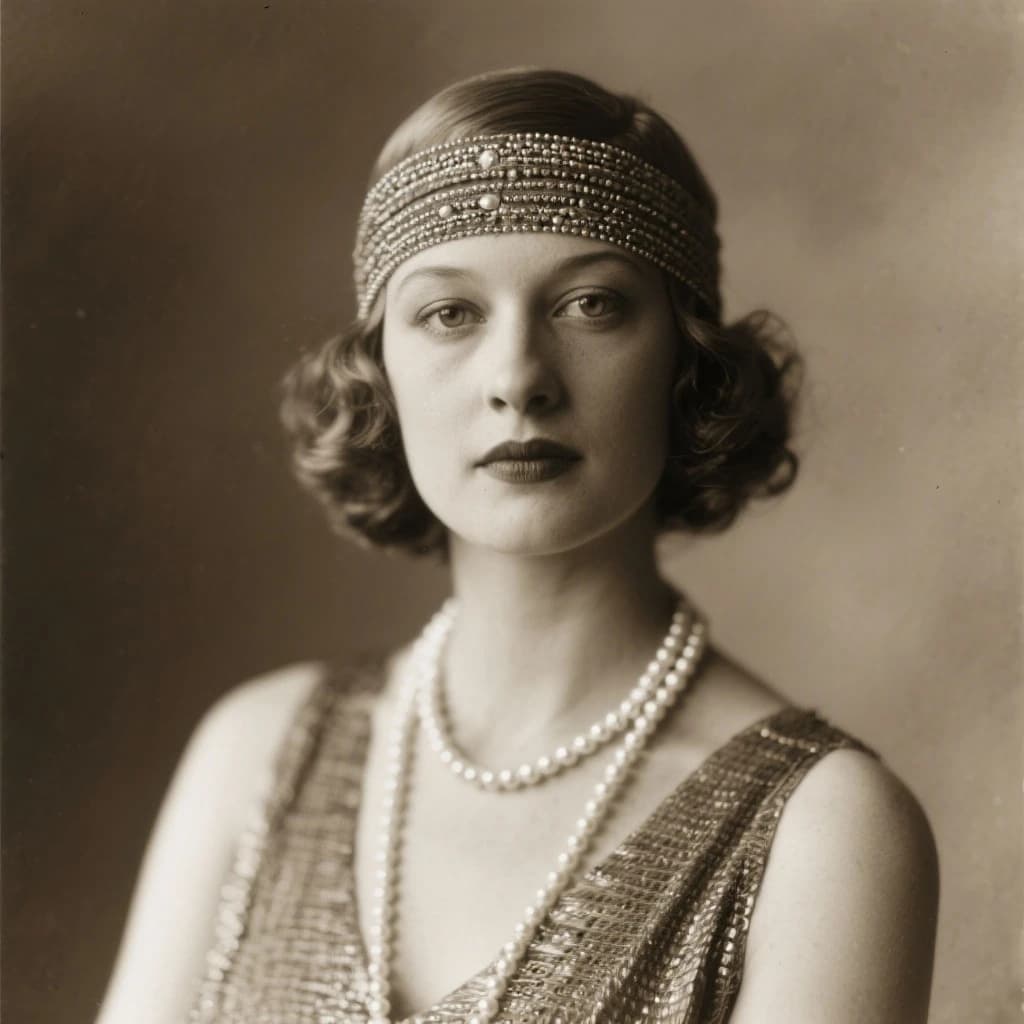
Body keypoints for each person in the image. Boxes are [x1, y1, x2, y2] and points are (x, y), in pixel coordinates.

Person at [96, 68, 939, 1024]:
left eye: (590, 306)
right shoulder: (259, 756)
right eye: (448, 314)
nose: (518, 378)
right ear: (381, 376)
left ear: (687, 360)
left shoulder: (822, 828)